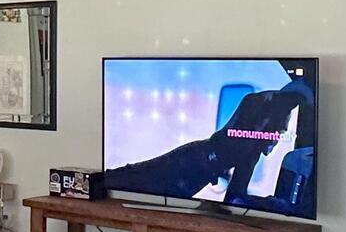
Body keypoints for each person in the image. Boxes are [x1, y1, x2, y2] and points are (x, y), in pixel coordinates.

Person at [104, 81, 314, 210]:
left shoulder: (251, 151)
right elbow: (235, 197)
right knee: (131, 177)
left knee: (137, 180)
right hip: (190, 160)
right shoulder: (254, 108)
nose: (280, 137)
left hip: (196, 171)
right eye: (281, 130)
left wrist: (270, 204)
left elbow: (234, 197)